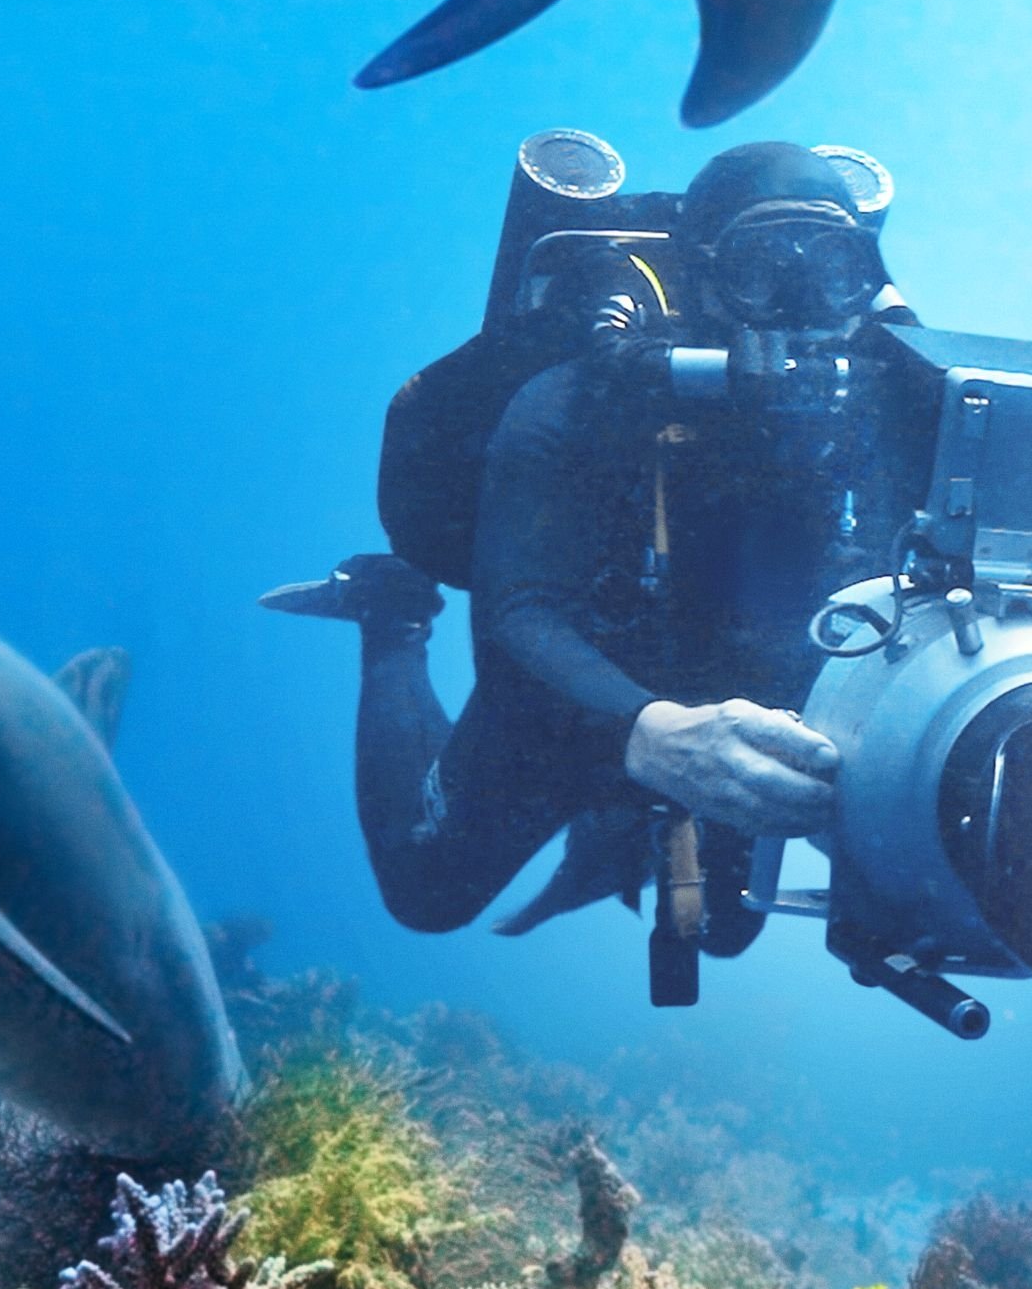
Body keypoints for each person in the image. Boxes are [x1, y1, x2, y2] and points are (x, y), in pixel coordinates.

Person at [263, 142, 925, 938]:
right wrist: (641, 733)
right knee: (426, 892)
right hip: (569, 686)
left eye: (827, 268)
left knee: (725, 930)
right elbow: (520, 612)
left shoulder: (877, 415)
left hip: (743, 683)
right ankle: (393, 619)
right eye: (757, 269)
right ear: (705, 274)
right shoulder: (579, 398)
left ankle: (615, 833)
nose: (791, 305)